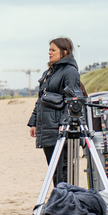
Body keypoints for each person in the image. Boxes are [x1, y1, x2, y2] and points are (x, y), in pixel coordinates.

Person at [27, 37, 82, 187]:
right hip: (47, 127)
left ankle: (64, 202)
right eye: (49, 49)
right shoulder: (49, 72)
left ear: (64, 52)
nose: (49, 53)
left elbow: (73, 100)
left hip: (59, 127)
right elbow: (41, 99)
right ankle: (60, 200)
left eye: (53, 50)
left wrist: (65, 123)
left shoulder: (70, 72)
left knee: (62, 169)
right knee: (54, 169)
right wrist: (34, 122)